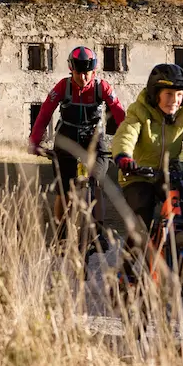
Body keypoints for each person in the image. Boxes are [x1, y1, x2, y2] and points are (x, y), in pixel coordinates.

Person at [110, 63, 183, 283]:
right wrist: (124, 157)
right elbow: (126, 134)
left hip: (169, 173)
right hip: (137, 174)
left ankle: (180, 255)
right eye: (169, 94)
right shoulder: (139, 112)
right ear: (156, 94)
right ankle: (125, 271)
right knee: (142, 219)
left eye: (180, 94)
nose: (175, 100)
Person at [28, 46, 126, 233]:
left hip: (94, 138)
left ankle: (99, 230)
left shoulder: (102, 87)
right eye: (78, 73)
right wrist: (34, 141)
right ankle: (60, 232)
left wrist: (128, 142)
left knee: (97, 183)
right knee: (64, 190)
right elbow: (45, 113)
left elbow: (119, 112)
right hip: (67, 137)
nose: (83, 78)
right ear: (71, 70)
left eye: (87, 73)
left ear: (94, 71)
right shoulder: (62, 87)